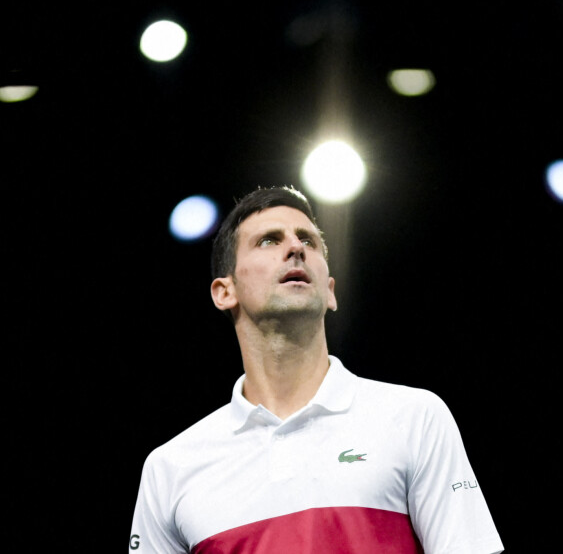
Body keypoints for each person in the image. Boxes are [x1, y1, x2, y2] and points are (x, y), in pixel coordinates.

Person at [128, 185, 504, 554]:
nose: (295, 248)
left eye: (308, 240)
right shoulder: (171, 467)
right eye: (269, 241)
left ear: (330, 290)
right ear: (225, 292)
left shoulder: (415, 417)